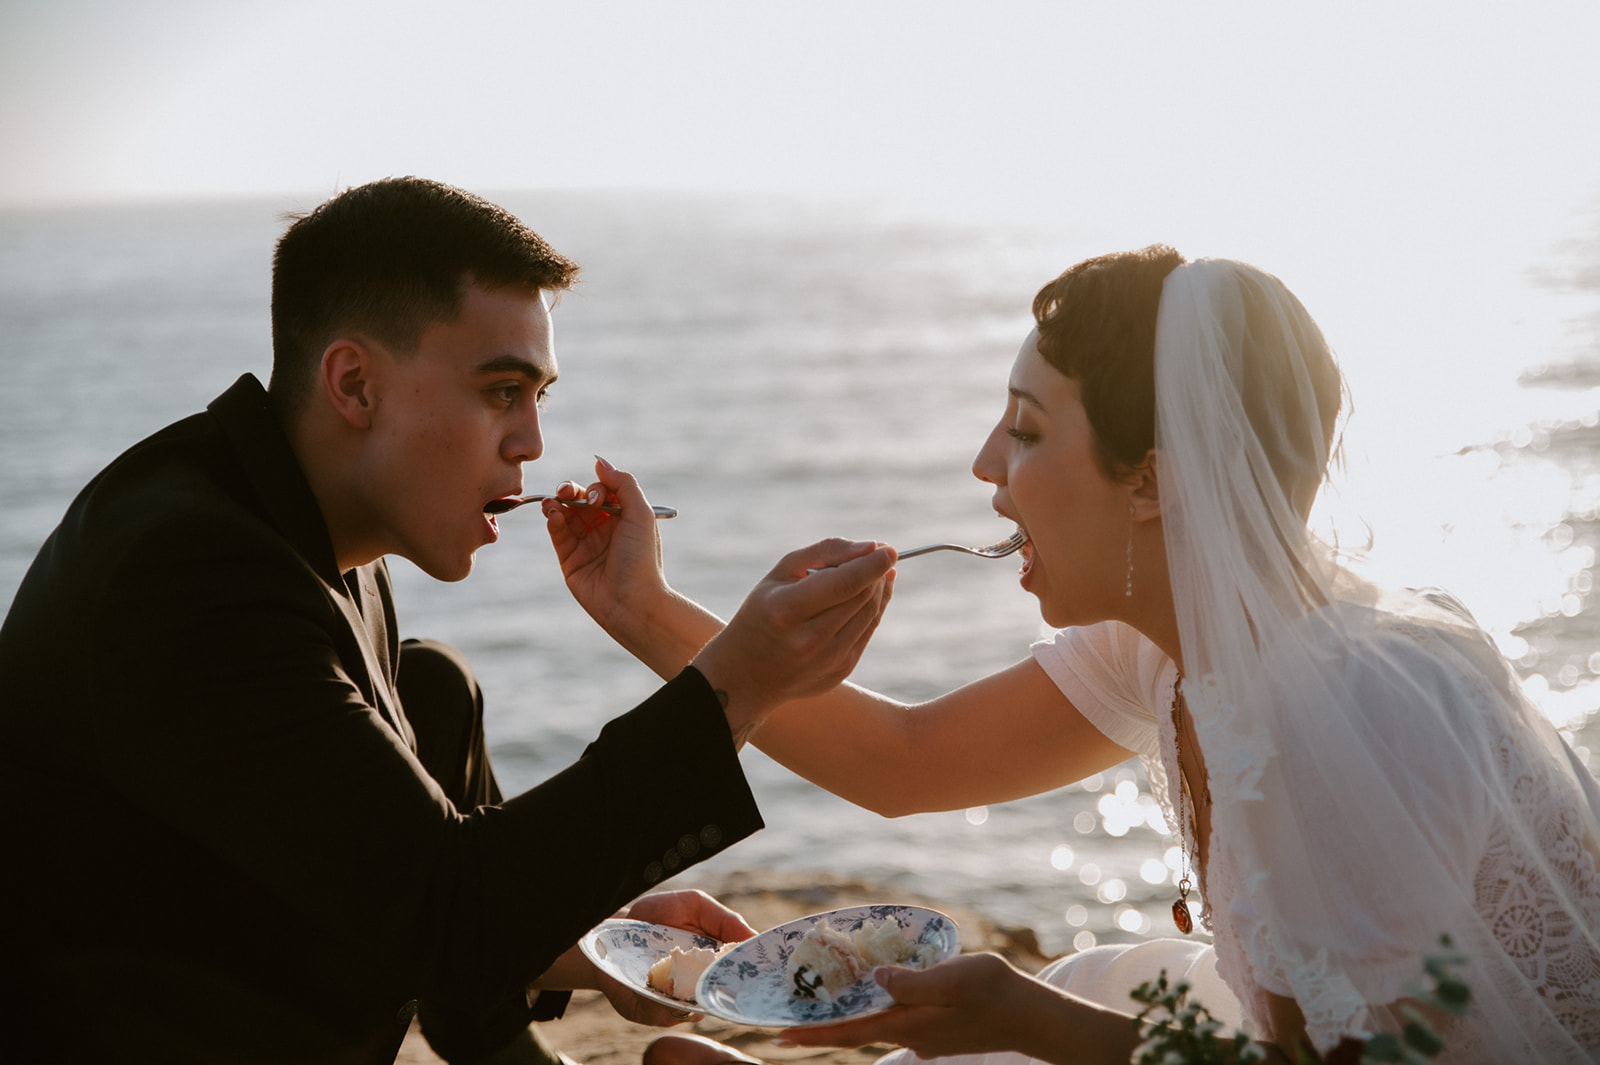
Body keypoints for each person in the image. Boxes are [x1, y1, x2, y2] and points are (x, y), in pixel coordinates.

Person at [550, 246, 1600, 1063]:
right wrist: (640, 606)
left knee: (1069, 1010)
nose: (984, 468)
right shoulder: (1175, 643)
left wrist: (1026, 1013)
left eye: (1026, 430)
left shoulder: (1351, 701)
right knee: (1112, 982)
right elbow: (911, 761)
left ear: (1150, 482)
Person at [0, 176, 895, 1065]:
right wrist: (735, 684)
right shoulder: (190, 573)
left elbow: (373, 869)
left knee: (431, 688)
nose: (533, 441)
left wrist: (596, 938)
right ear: (355, 383)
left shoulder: (304, 532)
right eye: (502, 390)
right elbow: (441, 911)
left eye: (538, 393)